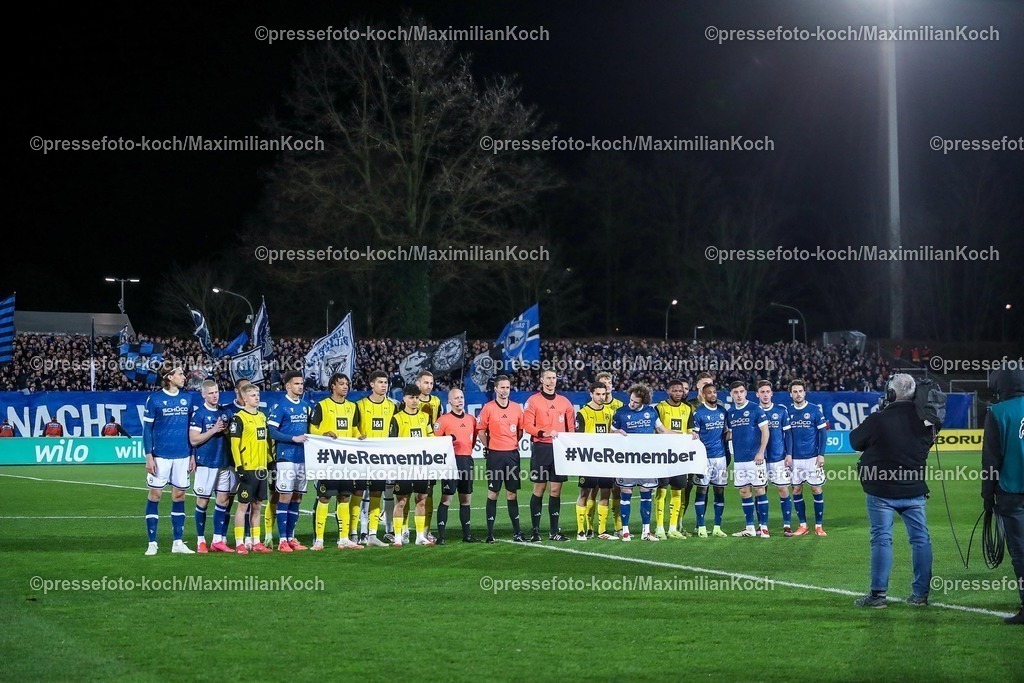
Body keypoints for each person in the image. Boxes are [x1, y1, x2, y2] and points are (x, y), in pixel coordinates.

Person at [850, 373, 934, 608]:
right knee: (920, 540)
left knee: (881, 540)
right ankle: (920, 595)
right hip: (914, 489)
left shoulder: (878, 419)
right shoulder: (925, 420)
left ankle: (878, 596)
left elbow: (855, 441)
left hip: (881, 491)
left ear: (890, 394)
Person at [981, 369, 1024, 625]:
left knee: (1020, 553)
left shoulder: (997, 413)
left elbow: (991, 461)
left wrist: (987, 496)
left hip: (1010, 492)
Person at [142, 364, 195, 556]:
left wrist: (192, 454)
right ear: (169, 377)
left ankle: (178, 542)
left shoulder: (187, 399)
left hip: (182, 455)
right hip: (160, 457)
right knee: (155, 495)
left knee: (179, 496)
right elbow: (146, 430)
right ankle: (152, 543)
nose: (184, 377)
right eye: (180, 374)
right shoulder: (154, 399)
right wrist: (149, 456)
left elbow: (191, 429)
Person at [308, 373, 363, 551]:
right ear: (333, 386)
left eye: (347, 384)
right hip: (328, 461)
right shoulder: (322, 406)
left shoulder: (352, 407)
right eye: (341, 384)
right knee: (324, 497)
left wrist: (358, 437)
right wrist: (323, 435)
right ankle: (319, 540)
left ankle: (344, 539)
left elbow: (354, 428)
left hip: (346, 461)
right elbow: (311, 430)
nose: (345, 387)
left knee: (345, 497)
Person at [612, 383, 671, 542]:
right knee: (626, 493)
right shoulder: (620, 413)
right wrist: (617, 432)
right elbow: (611, 432)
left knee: (646, 494)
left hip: (647, 461)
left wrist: (686, 436)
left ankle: (646, 531)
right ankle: (625, 531)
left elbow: (662, 430)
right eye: (630, 400)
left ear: (643, 402)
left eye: (635, 402)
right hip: (627, 460)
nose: (631, 403)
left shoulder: (651, 412)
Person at [524, 369, 576, 542]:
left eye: (554, 378)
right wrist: (544, 433)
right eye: (548, 378)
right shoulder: (533, 401)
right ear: (541, 380)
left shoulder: (565, 402)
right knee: (539, 488)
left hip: (559, 450)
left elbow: (571, 430)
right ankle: (535, 531)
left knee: (556, 489)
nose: (551, 381)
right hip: (541, 448)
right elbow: (527, 426)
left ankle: (554, 531)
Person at [476, 375, 527, 543]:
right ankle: (490, 533)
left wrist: (511, 443)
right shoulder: (488, 408)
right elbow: (481, 430)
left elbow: (520, 432)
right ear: (496, 389)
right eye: (502, 387)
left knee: (512, 494)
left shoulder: (517, 408)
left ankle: (517, 532)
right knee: (493, 493)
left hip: (512, 455)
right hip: (495, 456)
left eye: (507, 387)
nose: (505, 390)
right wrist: (490, 446)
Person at [268, 371, 312, 552]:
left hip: (303, 458)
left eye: (301, 384)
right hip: (286, 457)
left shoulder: (305, 406)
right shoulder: (280, 406)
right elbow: (273, 432)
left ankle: (291, 537)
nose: (300, 386)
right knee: (284, 496)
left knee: (298, 497)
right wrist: (293, 438)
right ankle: (282, 540)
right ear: (287, 386)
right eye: (296, 384)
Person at [355, 370, 400, 546]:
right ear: (372, 384)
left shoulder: (393, 406)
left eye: (385, 382)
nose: (384, 385)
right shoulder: (359, 405)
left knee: (376, 493)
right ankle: (361, 532)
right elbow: (354, 429)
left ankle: (372, 534)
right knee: (361, 493)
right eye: (380, 382)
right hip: (363, 456)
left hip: (383, 458)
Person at [189, 380, 233, 554]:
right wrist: (214, 430)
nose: (215, 395)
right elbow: (194, 439)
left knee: (223, 500)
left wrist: (226, 430)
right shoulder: (199, 414)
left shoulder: (225, 412)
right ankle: (200, 541)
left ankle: (217, 540)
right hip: (206, 462)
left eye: (216, 392)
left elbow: (229, 435)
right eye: (211, 393)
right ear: (204, 395)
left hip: (223, 461)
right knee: (203, 501)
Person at [433, 388, 482, 544]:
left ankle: (467, 535)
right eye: (456, 398)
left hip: (466, 460)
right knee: (446, 499)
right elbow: (436, 443)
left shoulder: (471, 419)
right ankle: (441, 536)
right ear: (450, 402)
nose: (460, 400)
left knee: (466, 499)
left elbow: (473, 441)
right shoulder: (443, 420)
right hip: (450, 463)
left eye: (461, 397)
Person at [390, 384, 437, 547]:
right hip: (403, 467)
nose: (415, 401)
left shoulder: (425, 417)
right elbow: (391, 444)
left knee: (421, 500)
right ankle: (397, 535)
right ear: (404, 399)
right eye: (411, 398)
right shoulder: (396, 418)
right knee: (402, 501)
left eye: (417, 398)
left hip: (421, 466)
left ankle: (419, 536)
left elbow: (431, 439)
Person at [229, 383, 273, 554]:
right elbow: (234, 445)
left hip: (261, 469)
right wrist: (239, 467)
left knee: (257, 506)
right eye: (253, 395)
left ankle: (256, 542)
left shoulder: (262, 417)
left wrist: (270, 460)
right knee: (243, 506)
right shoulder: (238, 418)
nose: (257, 397)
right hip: (247, 468)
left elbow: (266, 442)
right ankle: (240, 542)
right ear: (244, 398)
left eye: (258, 395)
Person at [726, 382, 770, 538]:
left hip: (755, 459)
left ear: (745, 393)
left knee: (759, 490)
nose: (739, 395)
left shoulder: (755, 409)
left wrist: (761, 452)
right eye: (735, 392)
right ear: (731, 394)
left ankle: (764, 527)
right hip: (739, 460)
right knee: (744, 491)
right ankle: (750, 527)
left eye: (741, 392)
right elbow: (731, 434)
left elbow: (765, 432)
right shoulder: (730, 413)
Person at [574, 382, 616, 541]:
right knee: (584, 492)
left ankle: (602, 530)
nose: (601, 397)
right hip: (589, 460)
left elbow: (611, 431)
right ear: (591, 394)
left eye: (603, 394)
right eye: (598, 394)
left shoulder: (609, 412)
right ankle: (581, 531)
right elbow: (579, 437)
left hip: (605, 460)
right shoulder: (583, 413)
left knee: (605, 492)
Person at [655, 379, 695, 539]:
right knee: (662, 491)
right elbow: (657, 431)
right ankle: (659, 527)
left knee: (678, 491)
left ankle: (672, 528)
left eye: (681, 391)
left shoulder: (687, 409)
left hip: (680, 457)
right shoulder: (660, 408)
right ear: (668, 391)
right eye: (675, 390)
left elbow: (690, 431)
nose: (679, 393)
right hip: (664, 456)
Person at [788, 379, 828, 536]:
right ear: (790, 394)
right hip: (795, 459)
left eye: (800, 391)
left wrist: (821, 454)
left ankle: (819, 525)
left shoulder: (814, 410)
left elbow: (823, 434)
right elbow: (787, 436)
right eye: (795, 391)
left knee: (816, 488)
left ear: (804, 392)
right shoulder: (788, 412)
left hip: (812, 458)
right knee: (796, 490)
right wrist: (788, 455)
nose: (798, 394)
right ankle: (803, 525)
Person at [756, 380, 794, 536]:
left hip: (778, 457)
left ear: (771, 393)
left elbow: (788, 434)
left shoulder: (781, 411)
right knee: (760, 491)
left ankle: (787, 525)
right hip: (760, 459)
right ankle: (762, 525)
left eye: (767, 392)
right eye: (762, 392)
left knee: (783, 489)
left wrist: (789, 453)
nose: (765, 395)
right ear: (757, 394)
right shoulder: (754, 411)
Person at [692, 381, 730, 538]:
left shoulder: (722, 411)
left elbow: (727, 434)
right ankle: (701, 527)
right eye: (709, 393)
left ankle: (716, 527)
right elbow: (695, 437)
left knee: (719, 491)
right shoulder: (699, 413)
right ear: (703, 395)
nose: (713, 395)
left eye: (714, 392)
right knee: (702, 490)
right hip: (703, 459)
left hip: (720, 458)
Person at [415, 370, 444, 543]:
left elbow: (440, 424)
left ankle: (426, 530)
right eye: (426, 383)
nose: (429, 386)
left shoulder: (436, 401)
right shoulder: (412, 399)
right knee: (407, 492)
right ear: (418, 383)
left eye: (431, 383)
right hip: (412, 452)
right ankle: (403, 530)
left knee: (429, 492)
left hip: (429, 451)